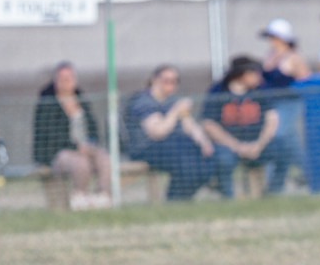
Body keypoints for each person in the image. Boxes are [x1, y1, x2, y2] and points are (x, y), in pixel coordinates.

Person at [201, 56, 296, 197]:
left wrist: (259, 144)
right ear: (241, 75)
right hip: (229, 146)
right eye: (253, 73)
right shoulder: (218, 90)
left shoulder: (260, 90)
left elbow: (272, 118)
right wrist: (236, 146)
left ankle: (273, 193)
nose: (258, 77)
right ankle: (228, 197)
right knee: (223, 159)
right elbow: (208, 124)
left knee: (285, 148)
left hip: (258, 145)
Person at [123, 65, 216, 201]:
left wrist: (203, 142)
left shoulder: (173, 99)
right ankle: (175, 200)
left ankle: (181, 199)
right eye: (166, 80)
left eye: (174, 81)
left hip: (175, 146)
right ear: (155, 80)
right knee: (185, 161)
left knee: (204, 162)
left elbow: (189, 125)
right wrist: (175, 111)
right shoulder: (143, 101)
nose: (171, 85)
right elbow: (158, 132)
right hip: (148, 148)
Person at [32, 61, 112, 210]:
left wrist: (90, 143)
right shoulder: (47, 102)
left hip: (85, 147)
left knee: (104, 158)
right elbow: (48, 135)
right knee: (81, 163)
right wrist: (75, 147)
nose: (66, 82)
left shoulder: (81, 98)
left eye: (69, 78)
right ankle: (79, 197)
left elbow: (93, 127)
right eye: (62, 79)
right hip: (58, 152)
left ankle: (102, 196)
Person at [259, 18, 310, 182]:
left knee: (277, 135)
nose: (271, 41)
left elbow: (306, 81)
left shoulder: (294, 57)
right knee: (290, 140)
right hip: (272, 105)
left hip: (289, 104)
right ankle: (308, 173)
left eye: (273, 37)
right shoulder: (269, 56)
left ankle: (304, 173)